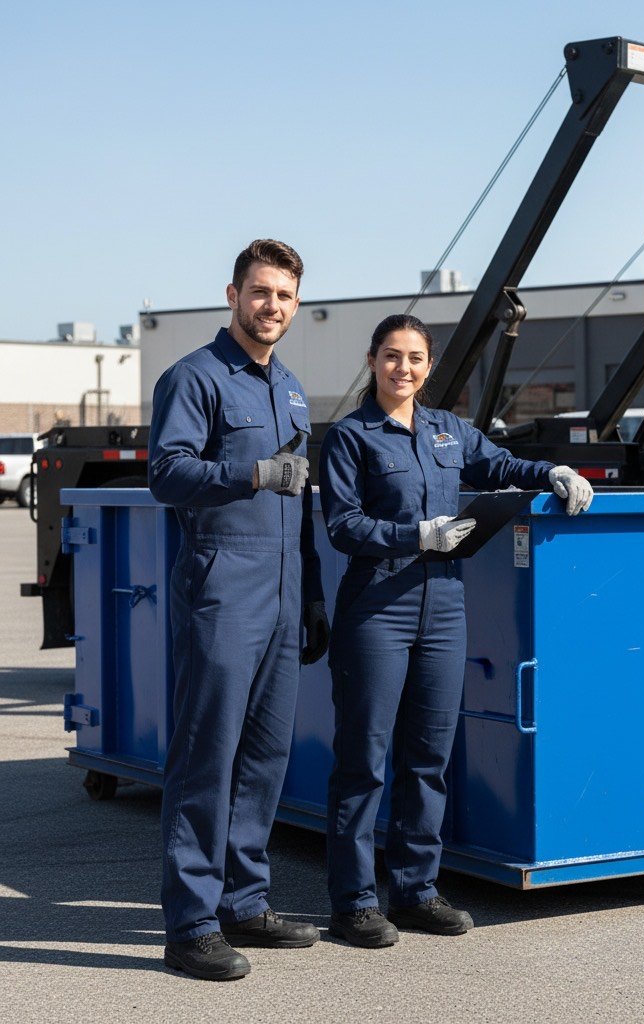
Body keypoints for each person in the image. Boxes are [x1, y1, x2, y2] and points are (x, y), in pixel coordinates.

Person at [319, 313, 593, 948]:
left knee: (430, 755)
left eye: (415, 358)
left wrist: (551, 473)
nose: (403, 368)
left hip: (442, 606)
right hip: (377, 606)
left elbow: (497, 465)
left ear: (429, 366)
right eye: (391, 356)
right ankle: (354, 902)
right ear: (372, 360)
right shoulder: (350, 438)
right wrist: (415, 535)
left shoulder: (447, 431)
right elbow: (342, 525)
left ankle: (415, 890)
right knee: (363, 760)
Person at [149, 239, 330, 981]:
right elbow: (167, 473)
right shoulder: (194, 378)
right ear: (233, 295)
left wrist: (313, 593)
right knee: (206, 758)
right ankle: (191, 923)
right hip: (223, 588)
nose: (273, 307)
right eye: (261, 292)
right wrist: (251, 471)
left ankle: (244, 903)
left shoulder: (289, 388)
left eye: (285, 296)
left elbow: (305, 500)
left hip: (284, 593)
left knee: (263, 759)